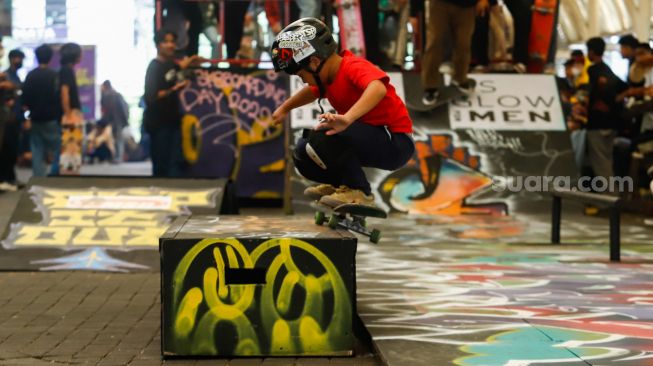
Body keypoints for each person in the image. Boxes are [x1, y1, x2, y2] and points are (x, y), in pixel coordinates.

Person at [270, 18, 415, 208]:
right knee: (303, 151)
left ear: (314, 62)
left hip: (395, 141)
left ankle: (360, 192)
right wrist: (284, 108)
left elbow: (377, 88)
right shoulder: (327, 78)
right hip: (373, 137)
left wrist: (347, 118)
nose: (304, 81)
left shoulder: (351, 66)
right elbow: (311, 91)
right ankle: (342, 187)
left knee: (323, 136)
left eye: (301, 75)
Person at [143, 29, 202, 177]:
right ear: (158, 45)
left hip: (173, 123)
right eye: (166, 41)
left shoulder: (169, 65)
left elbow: (174, 69)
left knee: (174, 164)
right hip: (159, 125)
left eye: (173, 42)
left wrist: (188, 62)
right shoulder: (154, 67)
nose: (170, 45)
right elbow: (151, 96)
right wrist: (174, 88)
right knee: (162, 165)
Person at [420, 0, 490, 106]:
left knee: (464, 42)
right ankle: (430, 85)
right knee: (435, 41)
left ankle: (460, 77)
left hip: (467, 6)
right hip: (439, 4)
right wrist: (413, 11)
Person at [21, 44, 61, 177]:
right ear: (50, 58)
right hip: (52, 119)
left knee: (37, 149)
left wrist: (26, 118)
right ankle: (55, 174)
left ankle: (39, 178)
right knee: (57, 148)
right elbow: (59, 97)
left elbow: (24, 99)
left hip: (36, 118)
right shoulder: (55, 75)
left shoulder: (30, 75)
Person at [100, 80, 129, 163]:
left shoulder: (109, 95)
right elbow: (124, 107)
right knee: (116, 138)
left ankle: (117, 157)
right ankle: (117, 156)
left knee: (115, 138)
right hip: (118, 120)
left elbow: (105, 110)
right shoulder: (116, 95)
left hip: (114, 120)